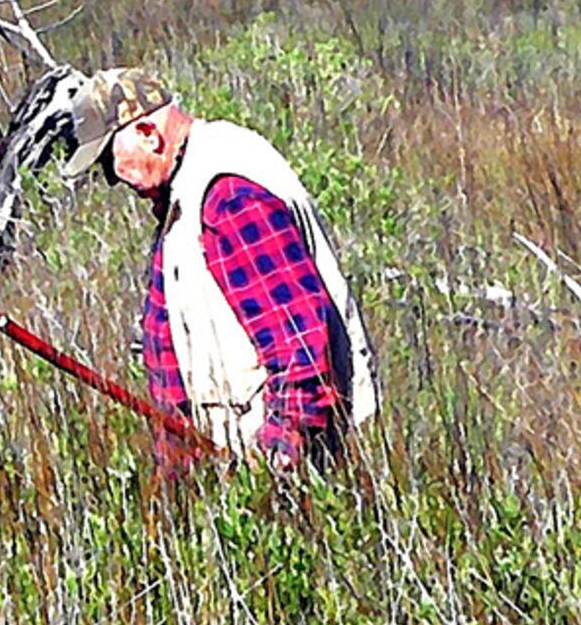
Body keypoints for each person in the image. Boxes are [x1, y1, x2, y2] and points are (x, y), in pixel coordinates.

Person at [59, 67, 378, 468]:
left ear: (147, 134)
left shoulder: (228, 196)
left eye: (109, 159)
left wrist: (283, 458)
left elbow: (297, 340)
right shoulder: (186, 190)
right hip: (239, 466)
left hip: (284, 467)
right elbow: (166, 342)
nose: (112, 179)